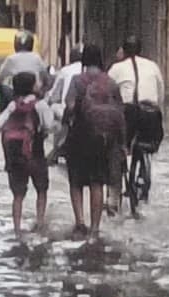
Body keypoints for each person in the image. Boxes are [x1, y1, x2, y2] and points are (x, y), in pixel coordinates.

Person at [0, 71, 54, 235]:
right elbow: (49, 125)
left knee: (18, 195)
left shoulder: (13, 105)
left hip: (15, 155)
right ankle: (40, 223)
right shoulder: (40, 105)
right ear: (32, 86)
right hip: (36, 153)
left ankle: (17, 228)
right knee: (41, 190)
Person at [64, 43, 125, 239]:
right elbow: (120, 113)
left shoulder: (77, 81)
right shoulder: (111, 83)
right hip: (102, 140)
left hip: (79, 136)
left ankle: (80, 222)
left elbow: (70, 106)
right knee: (97, 182)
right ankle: (95, 227)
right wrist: (121, 143)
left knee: (76, 181)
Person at [107, 35, 165, 206]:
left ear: (123, 51)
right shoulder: (153, 66)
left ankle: (113, 196)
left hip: (129, 113)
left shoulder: (116, 68)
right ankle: (142, 175)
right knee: (149, 143)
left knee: (116, 148)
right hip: (152, 114)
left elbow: (108, 93)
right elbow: (160, 95)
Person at [47, 43, 84, 164]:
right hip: (90, 111)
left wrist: (48, 101)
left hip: (69, 111)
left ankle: (56, 151)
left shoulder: (65, 71)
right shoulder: (95, 72)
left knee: (54, 108)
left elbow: (54, 96)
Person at [0, 31, 50, 110]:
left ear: (16, 44)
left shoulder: (11, 58)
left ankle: (3, 112)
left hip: (16, 94)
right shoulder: (36, 57)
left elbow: (0, 77)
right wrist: (44, 88)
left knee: (2, 89)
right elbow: (45, 76)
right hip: (34, 93)